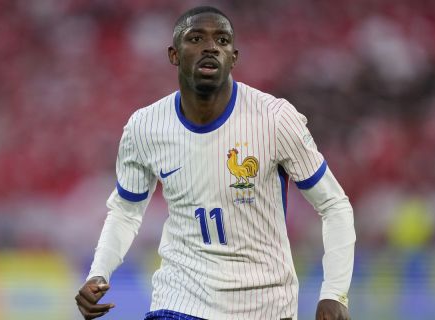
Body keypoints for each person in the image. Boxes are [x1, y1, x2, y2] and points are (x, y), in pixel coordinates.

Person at [75, 6, 355, 320]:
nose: (211, 47)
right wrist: (99, 272)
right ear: (174, 55)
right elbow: (126, 210)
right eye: (196, 38)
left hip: (263, 305)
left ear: (233, 58)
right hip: (180, 299)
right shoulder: (145, 127)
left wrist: (334, 292)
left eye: (222, 41)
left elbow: (334, 205)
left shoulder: (275, 119)